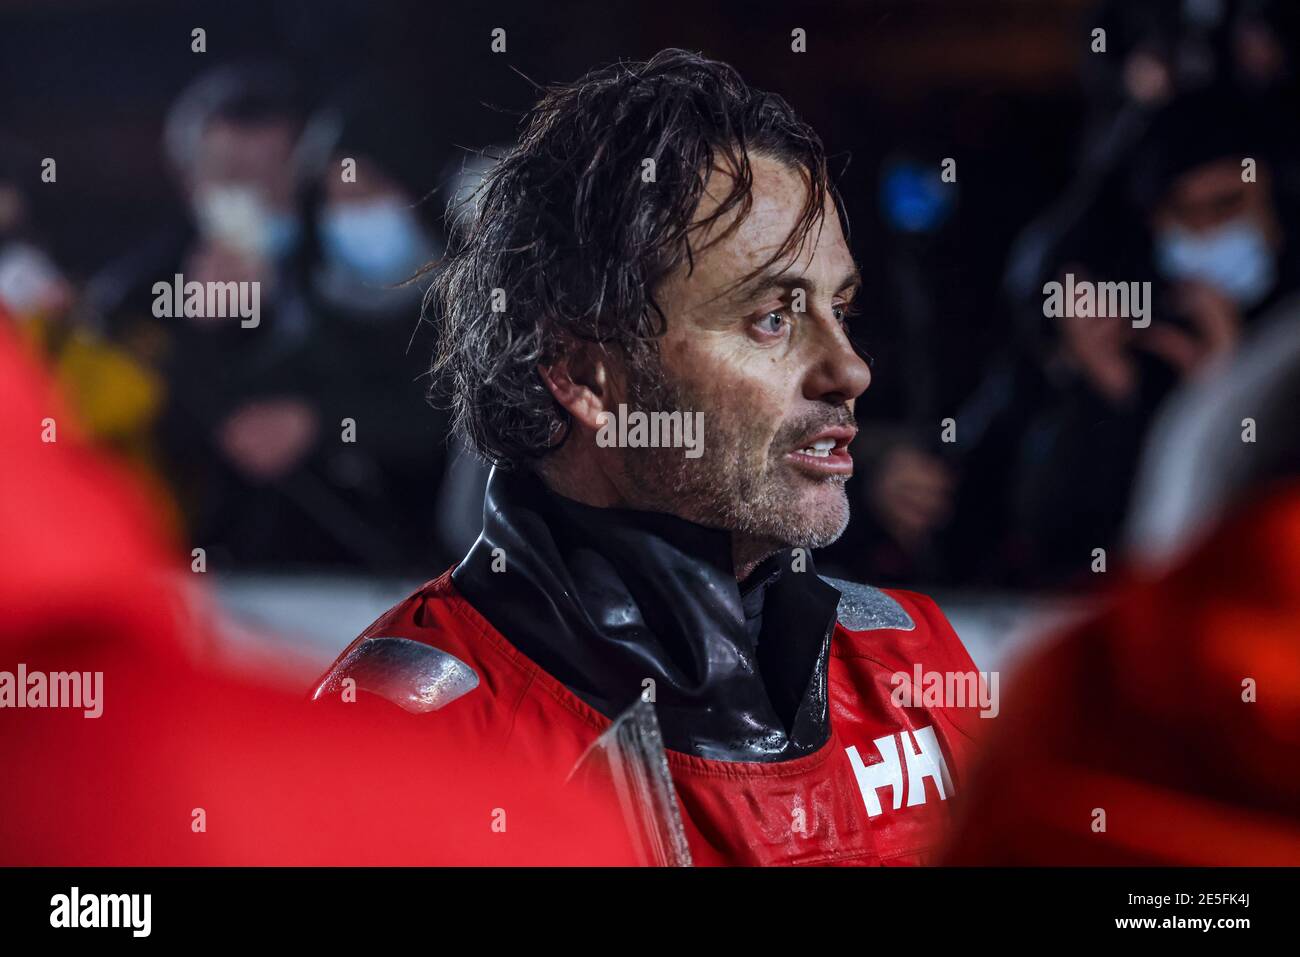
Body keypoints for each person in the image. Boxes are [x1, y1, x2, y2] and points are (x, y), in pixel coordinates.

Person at [313, 49, 984, 866]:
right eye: (773, 317)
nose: (850, 369)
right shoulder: (403, 749)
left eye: (838, 309)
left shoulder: (914, 666)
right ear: (585, 373)